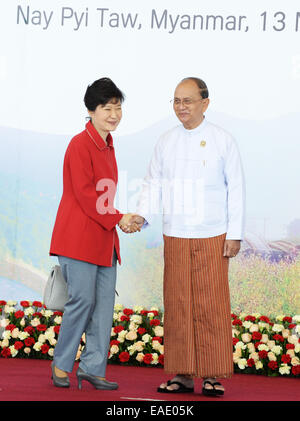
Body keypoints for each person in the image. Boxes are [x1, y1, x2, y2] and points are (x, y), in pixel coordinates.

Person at [128, 77, 245, 395]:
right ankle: (181, 374)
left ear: (205, 103)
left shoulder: (223, 140)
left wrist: (235, 234)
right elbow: (153, 183)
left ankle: (212, 375)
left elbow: (235, 188)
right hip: (175, 233)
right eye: (176, 101)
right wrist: (141, 214)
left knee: (212, 304)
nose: (181, 107)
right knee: (178, 304)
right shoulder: (166, 140)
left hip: (213, 235)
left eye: (188, 100)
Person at [49, 77, 140, 390]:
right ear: (91, 109)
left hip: (103, 239)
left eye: (118, 107)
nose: (114, 114)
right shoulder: (79, 143)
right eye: (106, 107)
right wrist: (119, 217)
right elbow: (87, 196)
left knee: (102, 308)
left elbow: (101, 200)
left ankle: (92, 368)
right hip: (77, 239)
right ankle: (61, 365)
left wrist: (122, 220)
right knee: (82, 301)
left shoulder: (109, 145)